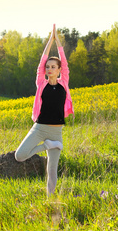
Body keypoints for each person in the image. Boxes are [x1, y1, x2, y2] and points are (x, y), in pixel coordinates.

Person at [15, 24, 74, 196]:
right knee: (20, 155)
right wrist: (50, 40)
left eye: (53, 67)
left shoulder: (64, 83)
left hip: (57, 131)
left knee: (52, 170)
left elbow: (65, 62)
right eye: (47, 67)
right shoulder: (41, 83)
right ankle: (46, 146)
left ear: (59, 70)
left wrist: (58, 42)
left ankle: (50, 201)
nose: (49, 69)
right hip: (40, 129)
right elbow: (42, 60)